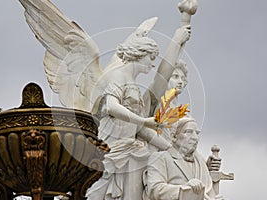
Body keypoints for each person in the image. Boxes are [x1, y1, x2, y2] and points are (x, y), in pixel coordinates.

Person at [86, 25, 191, 200]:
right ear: (139, 55)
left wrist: (172, 150)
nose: (152, 64)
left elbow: (141, 131)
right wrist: (144, 121)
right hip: (110, 151)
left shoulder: (133, 85)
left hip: (131, 151)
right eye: (151, 58)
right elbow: (112, 107)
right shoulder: (117, 76)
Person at [146, 117, 223, 200]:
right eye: (188, 132)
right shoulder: (160, 158)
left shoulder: (200, 161)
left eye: (197, 133)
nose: (195, 137)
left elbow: (208, 193)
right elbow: (154, 190)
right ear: (174, 137)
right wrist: (185, 189)